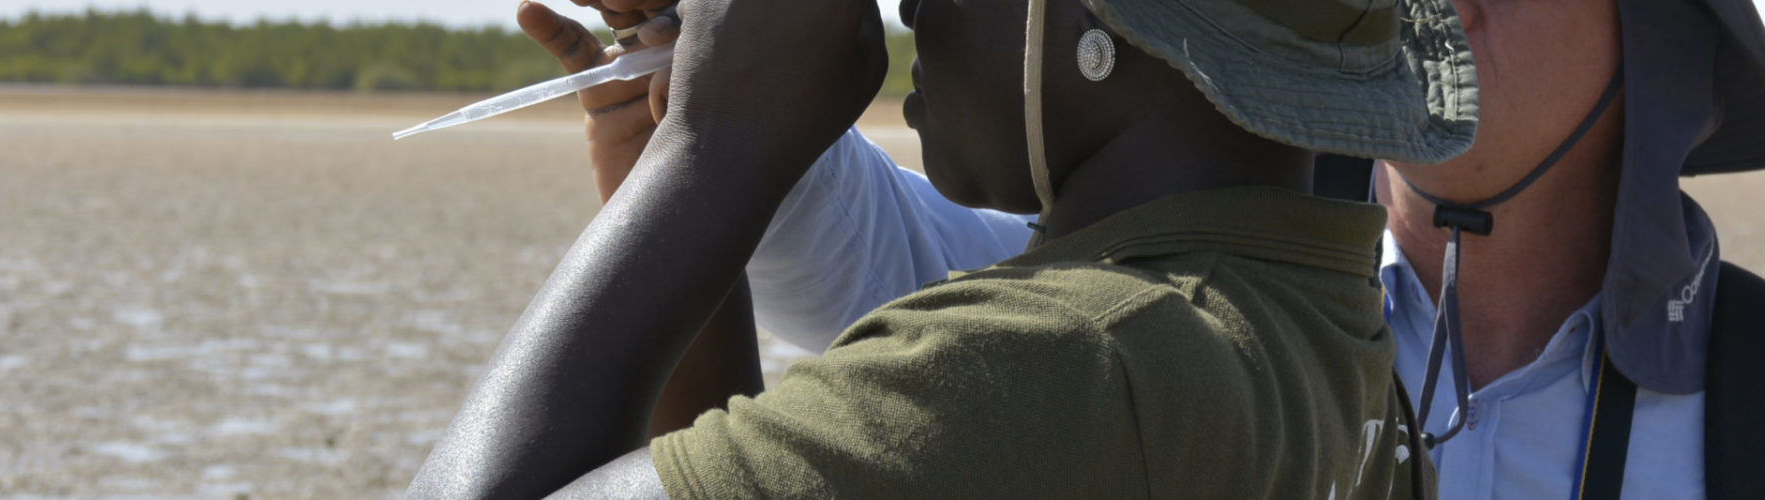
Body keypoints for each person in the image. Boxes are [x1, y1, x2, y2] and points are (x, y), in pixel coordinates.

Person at [544, 0, 1765, 498]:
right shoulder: (1212, 297)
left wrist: (711, 144)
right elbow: (826, 231)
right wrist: (667, 71)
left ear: (1663, 46)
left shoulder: (1100, 344)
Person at [405, 0, 1481, 497]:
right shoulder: (1336, 347)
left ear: (1102, 31)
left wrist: (712, 159)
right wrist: (667, 160)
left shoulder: (1067, 363)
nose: (913, 6)